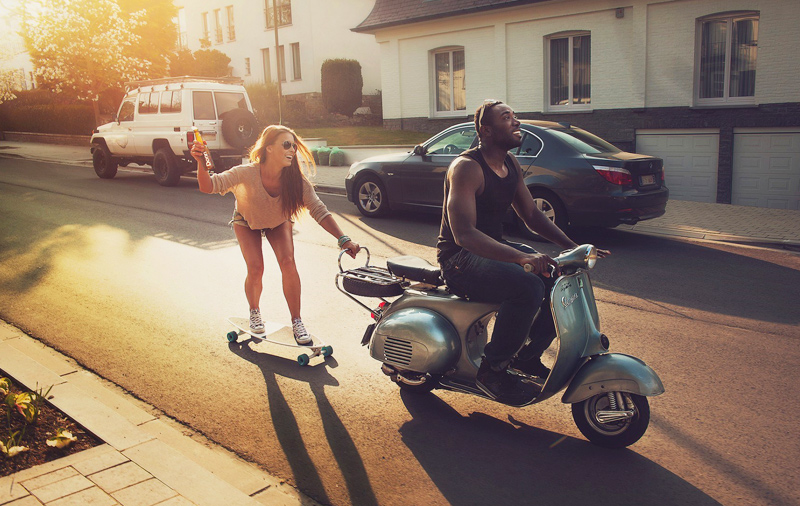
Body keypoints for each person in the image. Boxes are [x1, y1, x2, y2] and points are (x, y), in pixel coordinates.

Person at [437, 100, 609, 404]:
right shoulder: (466, 168)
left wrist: (572, 247)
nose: (517, 122)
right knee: (528, 284)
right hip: (459, 260)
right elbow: (464, 235)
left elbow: (531, 214)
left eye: (515, 117)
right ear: (486, 130)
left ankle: (527, 357)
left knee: (555, 275)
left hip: (490, 251)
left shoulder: (510, 165)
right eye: (507, 118)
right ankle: (493, 369)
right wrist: (521, 258)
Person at [191, 124, 360, 344]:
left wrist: (343, 239)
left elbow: (319, 210)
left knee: (288, 262)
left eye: (294, 146)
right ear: (269, 148)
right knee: (256, 267)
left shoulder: (296, 181)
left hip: (278, 222)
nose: (292, 150)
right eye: (287, 145)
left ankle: (297, 321)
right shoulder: (245, 173)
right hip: (246, 221)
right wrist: (200, 163)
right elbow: (208, 186)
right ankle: (254, 312)